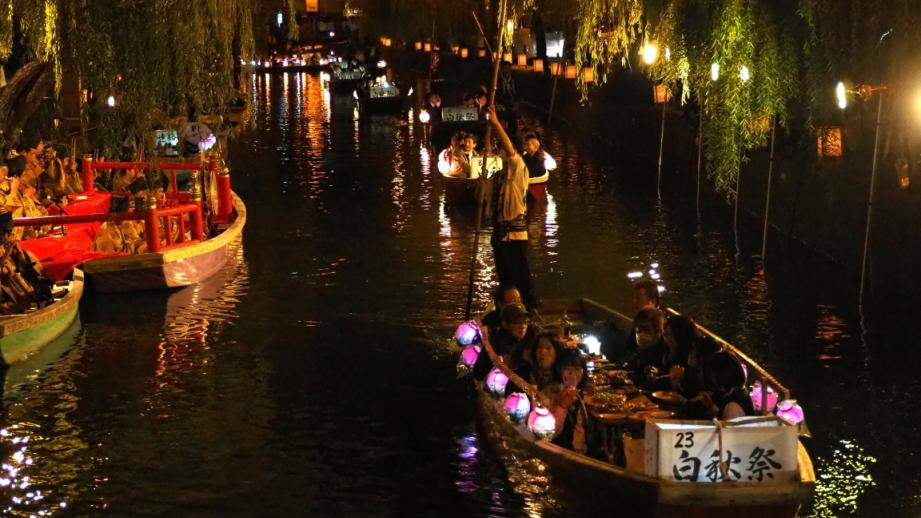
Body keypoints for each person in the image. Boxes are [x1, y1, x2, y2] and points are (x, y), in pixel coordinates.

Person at [487, 106, 536, 310]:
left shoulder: (518, 168)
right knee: (505, 278)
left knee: (520, 278)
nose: (501, 151)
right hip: (500, 234)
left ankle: (528, 309)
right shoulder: (500, 175)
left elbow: (509, 150)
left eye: (503, 149)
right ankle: (507, 310)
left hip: (515, 235)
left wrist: (496, 123)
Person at [550, 348, 606, 458]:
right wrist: (562, 406)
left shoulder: (581, 393)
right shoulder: (551, 393)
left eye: (577, 369)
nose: (573, 374)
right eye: (568, 369)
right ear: (559, 370)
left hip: (582, 454)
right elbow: (551, 433)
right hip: (563, 456)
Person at [473, 302, 537, 380]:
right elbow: (478, 373)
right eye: (517, 321)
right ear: (505, 324)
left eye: (525, 321)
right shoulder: (495, 344)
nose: (522, 326)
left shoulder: (530, 340)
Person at [695, 351, 755, 420]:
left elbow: (728, 426)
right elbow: (723, 417)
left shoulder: (732, 407)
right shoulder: (740, 392)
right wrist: (710, 406)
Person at [627, 307, 668, 388]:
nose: (641, 335)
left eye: (647, 330)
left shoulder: (666, 355)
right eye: (638, 330)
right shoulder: (641, 353)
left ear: (658, 331)